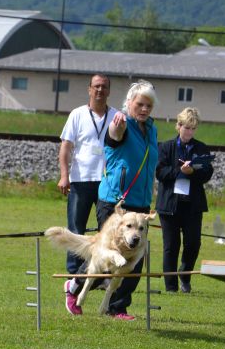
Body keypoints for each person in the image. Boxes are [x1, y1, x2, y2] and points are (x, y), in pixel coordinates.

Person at [64, 80, 159, 320]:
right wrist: (116, 128)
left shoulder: (152, 130)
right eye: (140, 104)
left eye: (148, 105)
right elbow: (113, 137)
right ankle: (75, 285)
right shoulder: (122, 124)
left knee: (133, 261)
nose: (144, 109)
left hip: (140, 205)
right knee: (106, 253)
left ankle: (117, 308)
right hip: (116, 201)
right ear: (129, 103)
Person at [57, 74, 118, 274]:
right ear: (89, 89)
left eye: (104, 87)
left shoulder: (116, 116)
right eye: (97, 86)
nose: (100, 90)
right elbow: (66, 147)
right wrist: (64, 176)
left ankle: (102, 272)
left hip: (107, 182)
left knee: (107, 231)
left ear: (109, 91)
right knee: (76, 229)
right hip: (80, 180)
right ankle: (73, 272)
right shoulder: (77, 114)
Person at [155, 107, 213, 293]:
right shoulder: (165, 147)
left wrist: (193, 172)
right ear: (178, 126)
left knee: (193, 243)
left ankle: (185, 276)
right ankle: (170, 286)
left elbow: (206, 174)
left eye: (193, 128)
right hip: (169, 205)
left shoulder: (201, 148)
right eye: (186, 127)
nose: (189, 132)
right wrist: (179, 171)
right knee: (171, 246)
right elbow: (160, 172)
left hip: (193, 206)